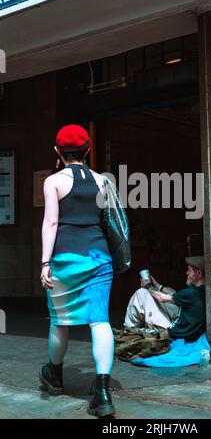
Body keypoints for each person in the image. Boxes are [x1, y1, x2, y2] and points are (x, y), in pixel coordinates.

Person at [39, 124, 130, 418]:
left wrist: (45, 263)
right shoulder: (102, 181)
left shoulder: (53, 181)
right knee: (99, 322)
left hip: (65, 260)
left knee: (60, 321)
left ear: (57, 152)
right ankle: (102, 393)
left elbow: (51, 223)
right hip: (98, 258)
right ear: (88, 150)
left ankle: (54, 376)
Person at [124, 256, 206, 342]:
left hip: (174, 330)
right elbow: (176, 295)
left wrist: (147, 286)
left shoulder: (192, 293)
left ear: (199, 273)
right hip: (185, 326)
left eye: (189, 270)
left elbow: (161, 298)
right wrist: (158, 286)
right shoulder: (203, 290)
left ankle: (129, 329)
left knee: (142, 293)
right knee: (170, 292)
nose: (186, 273)